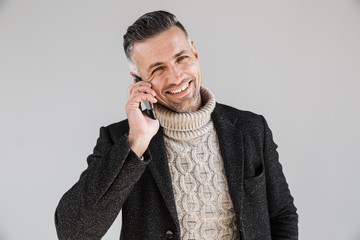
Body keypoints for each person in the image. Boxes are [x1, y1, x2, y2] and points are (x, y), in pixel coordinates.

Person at [55, 10, 298, 240]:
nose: (176, 77)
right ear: (138, 80)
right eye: (158, 68)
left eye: (181, 58)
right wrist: (137, 142)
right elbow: (73, 233)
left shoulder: (251, 129)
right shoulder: (120, 140)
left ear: (195, 53)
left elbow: (282, 216)